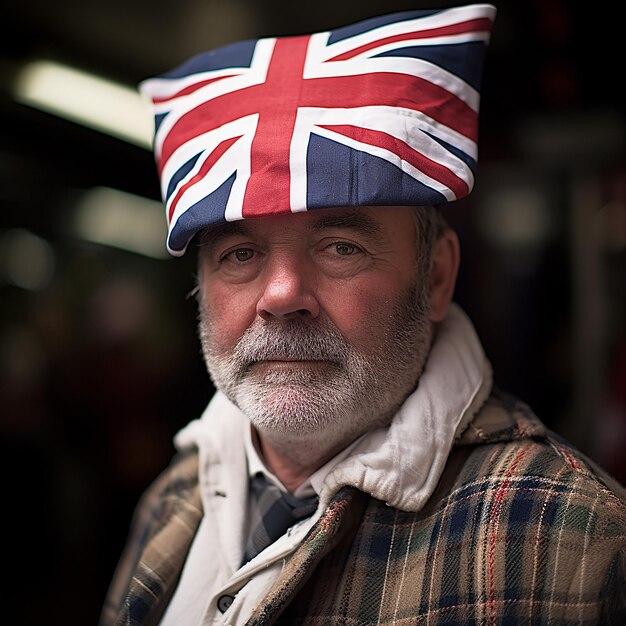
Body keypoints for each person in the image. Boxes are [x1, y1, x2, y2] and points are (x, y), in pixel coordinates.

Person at [100, 4, 626, 625]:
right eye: (240, 254)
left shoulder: (577, 542)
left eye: (340, 247)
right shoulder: (171, 499)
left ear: (435, 276)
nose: (281, 295)